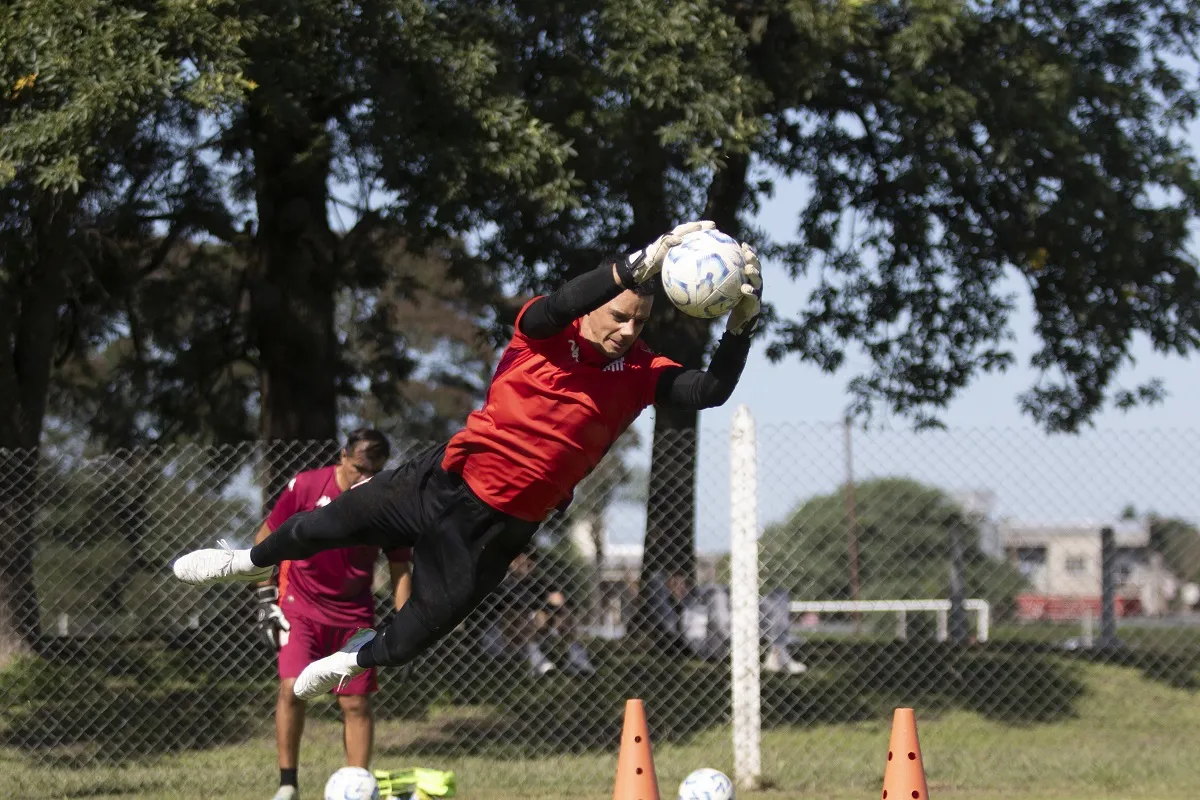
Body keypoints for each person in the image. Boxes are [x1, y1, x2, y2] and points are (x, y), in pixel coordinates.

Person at [172, 220, 763, 702]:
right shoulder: (542, 336)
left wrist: (741, 325)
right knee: (326, 524)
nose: (629, 330)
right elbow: (555, 305)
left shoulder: (640, 373)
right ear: (592, 309)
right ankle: (251, 561)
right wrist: (631, 267)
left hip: (497, 526)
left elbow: (710, 390)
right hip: (441, 479)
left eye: (640, 321)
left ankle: (351, 658)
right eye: (618, 316)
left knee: (413, 637)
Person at [252, 429, 414, 800]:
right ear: (343, 456)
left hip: (354, 613)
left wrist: (407, 630)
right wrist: (264, 597)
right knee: (293, 689)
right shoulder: (307, 487)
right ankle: (288, 784)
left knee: (355, 702)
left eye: (372, 472)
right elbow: (264, 539)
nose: (364, 478)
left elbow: (400, 569)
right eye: (358, 468)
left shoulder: (387, 502)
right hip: (301, 604)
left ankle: (357, 786)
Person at [642, 569, 808, 675]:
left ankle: (778, 652)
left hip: (739, 625)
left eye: (683, 583)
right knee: (717, 594)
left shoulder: (700, 597)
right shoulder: (679, 613)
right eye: (674, 585)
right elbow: (691, 636)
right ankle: (743, 644)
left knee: (779, 594)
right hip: (715, 644)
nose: (680, 588)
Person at [476, 544, 596, 676]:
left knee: (563, 612)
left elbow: (562, 601)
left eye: (531, 559)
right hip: (498, 640)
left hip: (535, 636)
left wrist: (556, 603)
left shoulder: (540, 584)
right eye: (519, 559)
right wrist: (542, 606)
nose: (526, 563)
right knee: (526, 614)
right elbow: (510, 605)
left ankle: (576, 658)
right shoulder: (500, 582)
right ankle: (537, 661)